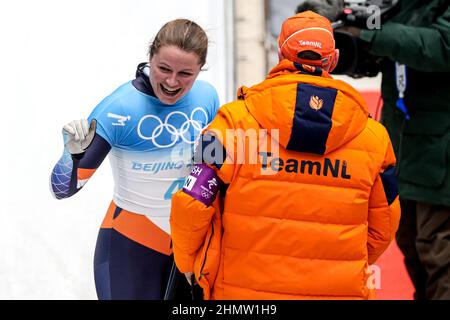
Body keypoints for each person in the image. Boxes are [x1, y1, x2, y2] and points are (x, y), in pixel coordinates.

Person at [170, 11, 401, 300]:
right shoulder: (374, 138)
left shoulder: (231, 124)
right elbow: (386, 222)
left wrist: (189, 264)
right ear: (334, 59)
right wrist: (342, 261)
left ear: (280, 54)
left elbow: (192, 201)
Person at [50, 18, 220, 300]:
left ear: (200, 69)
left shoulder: (207, 97)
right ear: (150, 58)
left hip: (190, 244)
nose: (171, 82)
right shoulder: (119, 109)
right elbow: (62, 189)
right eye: (163, 68)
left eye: (185, 74)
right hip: (131, 246)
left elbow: (213, 169)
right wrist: (71, 155)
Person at [338, 0, 450, 300]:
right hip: (404, 148)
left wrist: (371, 33)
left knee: (439, 250)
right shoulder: (404, 4)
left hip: (441, 154)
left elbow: (440, 46)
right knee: (411, 244)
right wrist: (336, 21)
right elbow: (376, 54)